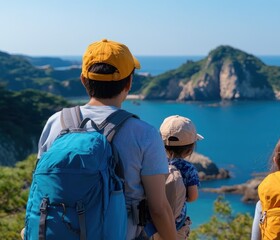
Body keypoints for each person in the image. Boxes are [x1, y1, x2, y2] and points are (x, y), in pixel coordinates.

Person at [35, 39, 176, 240]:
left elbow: (41, 184)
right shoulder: (144, 133)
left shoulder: (56, 122)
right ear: (129, 83)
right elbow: (159, 208)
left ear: (83, 80)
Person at [156, 115, 203, 239]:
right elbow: (193, 197)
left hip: (153, 224)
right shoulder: (188, 168)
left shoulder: (153, 163)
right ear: (190, 150)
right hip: (176, 226)